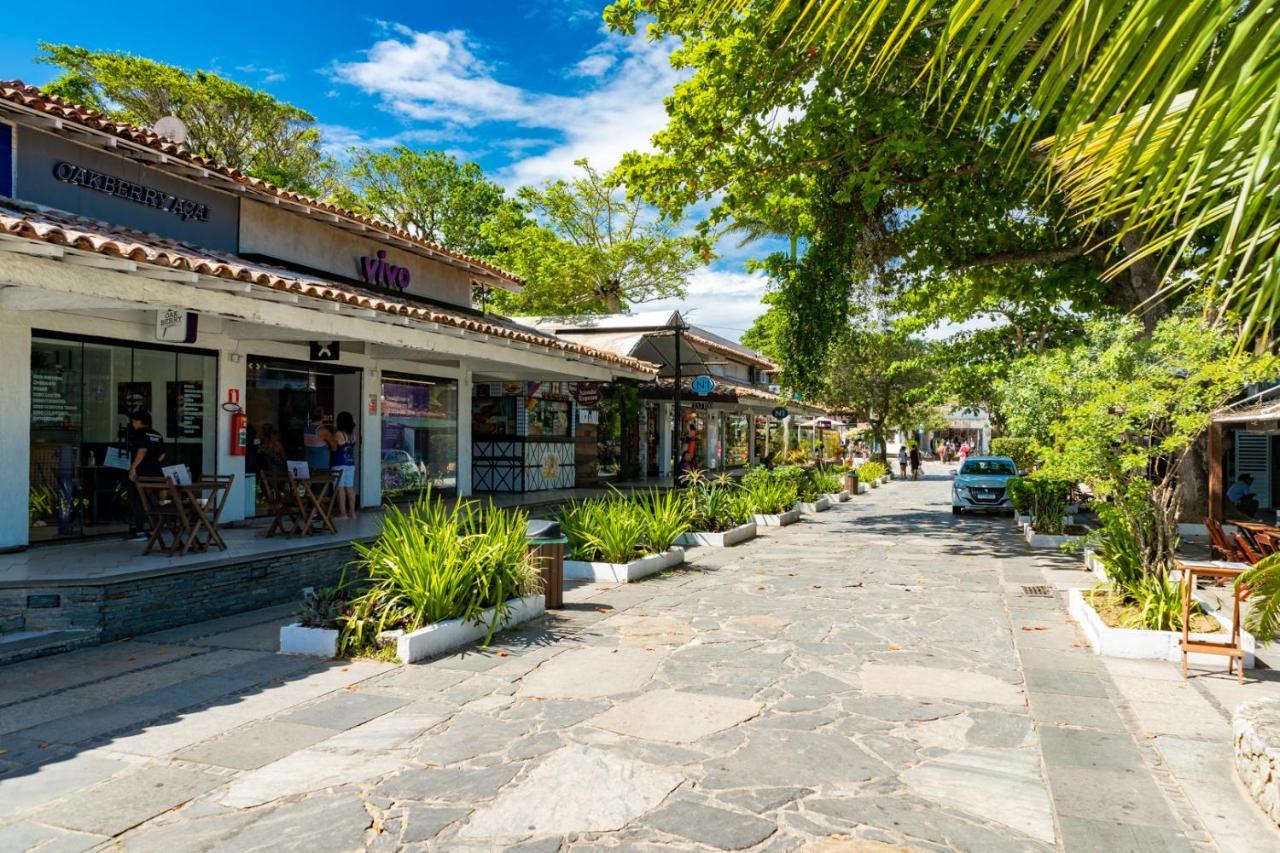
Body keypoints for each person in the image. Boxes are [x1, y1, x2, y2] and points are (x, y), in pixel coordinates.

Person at [126, 409, 165, 539]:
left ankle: (140, 530)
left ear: (138, 421)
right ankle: (156, 528)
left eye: (133, 421)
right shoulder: (157, 435)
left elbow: (142, 450)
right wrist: (153, 462)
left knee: (138, 500)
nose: (132, 424)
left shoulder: (139, 433)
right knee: (152, 500)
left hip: (141, 473)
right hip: (156, 473)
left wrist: (133, 468)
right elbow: (163, 454)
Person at [331, 411, 358, 520]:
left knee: (340, 488)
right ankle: (352, 513)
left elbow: (333, 446)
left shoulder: (338, 434)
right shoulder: (353, 435)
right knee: (350, 488)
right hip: (350, 464)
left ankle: (343, 513)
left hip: (338, 464)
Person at [304, 406, 335, 472]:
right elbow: (334, 447)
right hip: (321, 466)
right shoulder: (323, 431)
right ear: (323, 416)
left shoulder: (306, 429)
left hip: (309, 465)